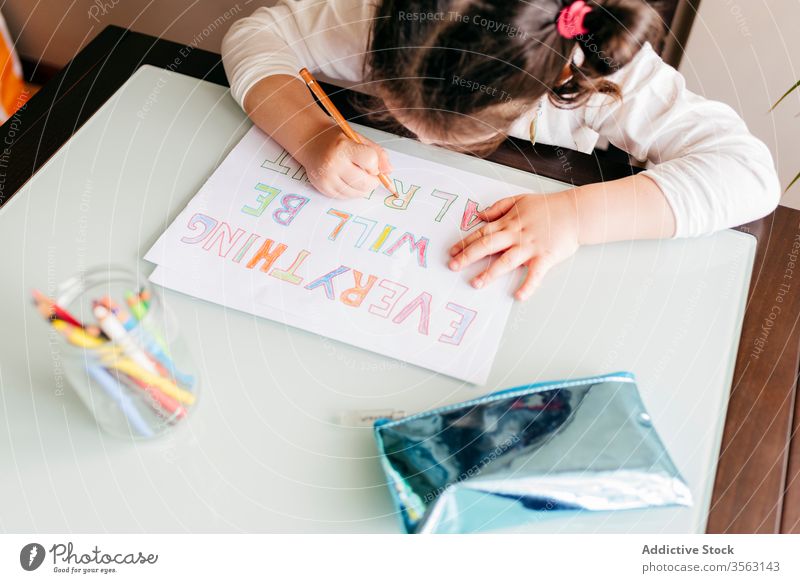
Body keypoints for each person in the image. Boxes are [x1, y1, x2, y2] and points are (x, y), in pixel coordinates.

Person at [221, 0, 780, 300]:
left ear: (553, 79)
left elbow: (749, 175)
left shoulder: (602, 77)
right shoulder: (362, 21)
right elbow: (253, 37)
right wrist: (313, 134)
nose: (421, 146)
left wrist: (575, 216)